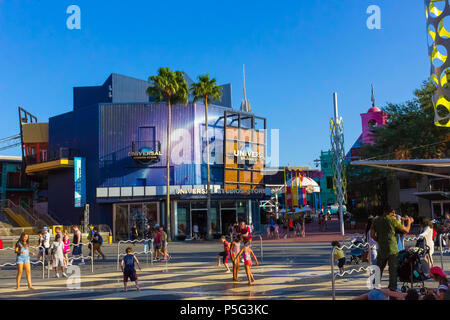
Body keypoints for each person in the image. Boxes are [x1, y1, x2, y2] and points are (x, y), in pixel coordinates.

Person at [370, 207, 414, 291]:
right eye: (392, 213)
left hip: (382, 249)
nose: (394, 215)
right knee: (393, 269)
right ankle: (392, 287)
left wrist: (379, 240)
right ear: (387, 213)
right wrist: (409, 222)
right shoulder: (392, 221)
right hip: (392, 249)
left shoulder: (375, 220)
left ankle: (375, 286)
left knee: (379, 268)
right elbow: (406, 230)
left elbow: (372, 235)